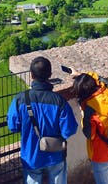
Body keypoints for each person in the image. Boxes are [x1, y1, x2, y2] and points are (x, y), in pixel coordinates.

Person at [7, 56, 78, 184]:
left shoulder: (20, 100)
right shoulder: (59, 101)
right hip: (55, 154)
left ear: (31, 75)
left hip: (31, 155)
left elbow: (13, 126)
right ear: (50, 75)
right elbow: (69, 129)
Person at [72, 70, 108, 184]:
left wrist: (83, 116)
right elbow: (98, 78)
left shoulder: (90, 111)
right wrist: (80, 75)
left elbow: (89, 134)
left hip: (101, 153)